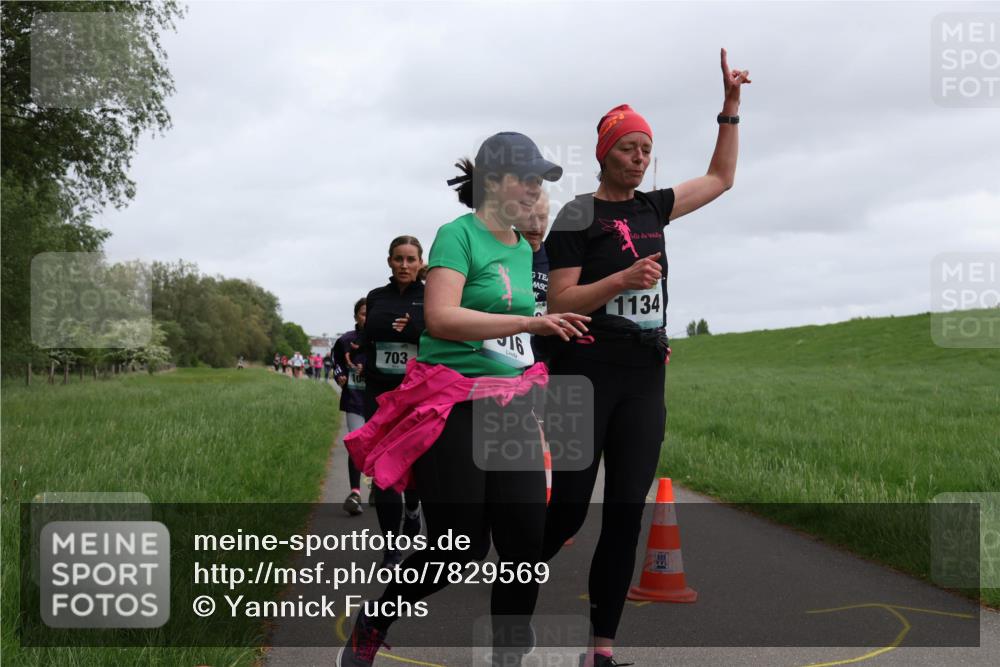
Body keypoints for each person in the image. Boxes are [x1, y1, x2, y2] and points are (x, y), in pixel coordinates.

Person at [339, 132, 590, 667]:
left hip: (513, 405)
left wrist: (554, 330)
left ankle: (507, 657)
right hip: (454, 404)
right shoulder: (457, 235)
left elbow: (521, 328)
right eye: (526, 178)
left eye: (540, 181)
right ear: (493, 182)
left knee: (524, 544)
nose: (533, 190)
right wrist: (528, 320)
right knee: (460, 548)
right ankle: (375, 622)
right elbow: (443, 318)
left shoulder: (524, 247)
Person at [541, 50, 750, 667]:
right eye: (629, 147)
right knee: (571, 509)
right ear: (605, 152)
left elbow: (720, 179)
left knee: (627, 513)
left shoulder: (654, 207)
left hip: (642, 377)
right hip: (582, 375)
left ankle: (600, 649)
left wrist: (730, 109)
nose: (640, 157)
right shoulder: (579, 214)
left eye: (646, 149)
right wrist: (621, 281)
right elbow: (560, 300)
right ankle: (517, 570)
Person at [356, 235, 429, 568]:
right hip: (380, 393)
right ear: (389, 261)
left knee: (414, 464)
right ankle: (391, 548)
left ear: (420, 262)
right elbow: (367, 337)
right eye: (398, 259)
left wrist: (415, 331)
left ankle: (413, 509)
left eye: (411, 259)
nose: (404, 265)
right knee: (384, 469)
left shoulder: (429, 296)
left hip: (417, 392)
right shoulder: (376, 297)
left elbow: (440, 339)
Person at [334, 298, 368, 516]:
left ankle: (377, 487)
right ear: (356, 316)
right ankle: (355, 492)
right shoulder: (346, 340)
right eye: (363, 313)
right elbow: (336, 363)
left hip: (380, 401)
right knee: (356, 443)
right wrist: (340, 376)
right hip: (355, 399)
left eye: (371, 313)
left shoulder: (383, 340)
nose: (367, 317)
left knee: (379, 446)